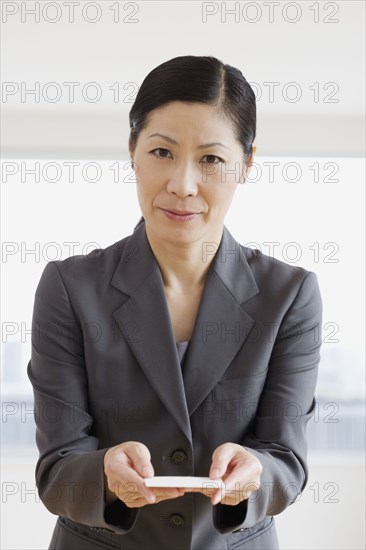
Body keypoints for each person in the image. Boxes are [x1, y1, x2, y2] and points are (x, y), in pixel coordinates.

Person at [27, 55, 322, 550]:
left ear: (246, 164)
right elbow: (57, 470)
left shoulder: (289, 294)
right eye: (162, 152)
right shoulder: (68, 287)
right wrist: (103, 472)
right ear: (132, 152)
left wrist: (257, 472)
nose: (182, 185)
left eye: (211, 159)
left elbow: (286, 462)